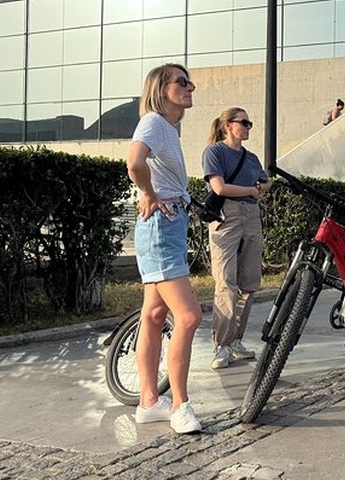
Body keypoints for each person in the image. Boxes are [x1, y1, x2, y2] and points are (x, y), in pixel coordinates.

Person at [126, 63, 203, 434]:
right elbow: (134, 164)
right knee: (189, 317)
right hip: (161, 224)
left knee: (154, 316)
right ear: (160, 88)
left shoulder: (168, 128)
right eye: (182, 82)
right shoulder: (154, 122)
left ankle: (148, 402)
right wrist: (149, 194)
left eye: (189, 82)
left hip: (169, 223)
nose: (191, 87)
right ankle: (180, 406)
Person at [202, 108, 272, 370]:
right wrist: (251, 190)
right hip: (227, 214)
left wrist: (260, 188)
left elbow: (264, 182)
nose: (248, 127)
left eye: (249, 122)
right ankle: (221, 345)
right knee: (226, 282)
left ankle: (235, 340)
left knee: (249, 282)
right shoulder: (215, 152)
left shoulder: (251, 157)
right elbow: (219, 187)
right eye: (244, 122)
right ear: (227, 125)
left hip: (251, 215)